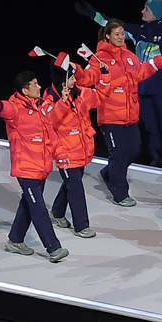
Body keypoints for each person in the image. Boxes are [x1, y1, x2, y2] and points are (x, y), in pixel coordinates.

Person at [75, 0, 162, 173]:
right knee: (150, 129)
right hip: (142, 89)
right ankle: (156, 161)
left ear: (156, 13)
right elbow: (111, 26)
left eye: (146, 9)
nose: (142, 11)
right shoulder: (139, 31)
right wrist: (93, 14)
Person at [71, 18, 162, 207]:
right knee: (118, 154)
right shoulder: (99, 58)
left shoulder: (129, 56)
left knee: (134, 151)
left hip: (131, 116)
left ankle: (108, 172)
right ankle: (120, 193)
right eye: (116, 34)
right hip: (110, 116)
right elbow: (88, 78)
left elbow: (140, 72)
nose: (120, 37)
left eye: (122, 33)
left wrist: (160, 60)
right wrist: (77, 71)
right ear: (108, 36)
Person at [0, 72, 69, 263]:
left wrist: (61, 156)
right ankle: (54, 248)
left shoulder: (41, 106)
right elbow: (5, 108)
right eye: (34, 84)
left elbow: (51, 135)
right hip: (26, 169)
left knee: (28, 205)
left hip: (42, 167)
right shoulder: (16, 109)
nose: (39, 86)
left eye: (38, 83)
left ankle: (15, 240)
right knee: (39, 208)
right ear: (25, 90)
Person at [47, 72, 101, 238]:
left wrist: (105, 78)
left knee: (71, 183)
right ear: (62, 81)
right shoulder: (49, 98)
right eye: (71, 78)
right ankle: (81, 226)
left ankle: (57, 212)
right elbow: (49, 121)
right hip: (64, 153)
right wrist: (62, 103)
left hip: (80, 150)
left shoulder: (78, 92)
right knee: (76, 187)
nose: (74, 80)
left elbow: (100, 97)